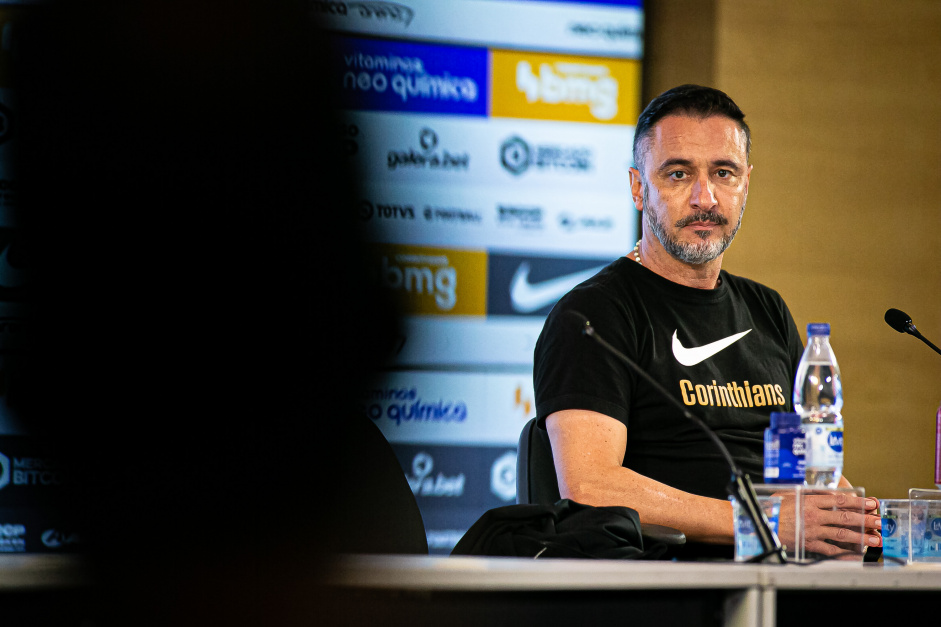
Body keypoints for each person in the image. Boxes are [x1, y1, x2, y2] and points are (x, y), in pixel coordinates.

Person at [533, 84, 881, 559]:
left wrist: (856, 520)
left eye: (724, 173)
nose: (705, 197)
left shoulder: (768, 309)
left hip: (789, 570)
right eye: (678, 174)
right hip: (672, 583)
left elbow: (813, 459)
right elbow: (590, 485)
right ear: (638, 188)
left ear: (746, 184)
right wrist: (767, 524)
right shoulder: (595, 314)